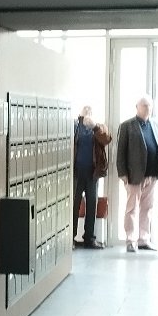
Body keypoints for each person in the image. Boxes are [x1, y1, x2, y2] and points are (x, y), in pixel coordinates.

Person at [116, 95, 158, 252]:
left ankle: (144, 239)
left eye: (149, 106)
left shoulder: (156, 125)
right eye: (144, 105)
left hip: (152, 174)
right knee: (132, 208)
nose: (147, 108)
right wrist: (122, 173)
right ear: (137, 107)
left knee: (147, 208)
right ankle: (131, 240)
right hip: (134, 175)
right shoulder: (127, 126)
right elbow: (120, 151)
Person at [72, 106, 102, 248]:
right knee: (74, 205)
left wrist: (94, 126)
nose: (88, 113)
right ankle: (70, 238)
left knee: (92, 205)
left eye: (90, 112)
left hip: (92, 173)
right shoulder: (75, 127)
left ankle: (89, 238)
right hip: (77, 173)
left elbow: (106, 139)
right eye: (85, 111)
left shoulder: (97, 128)